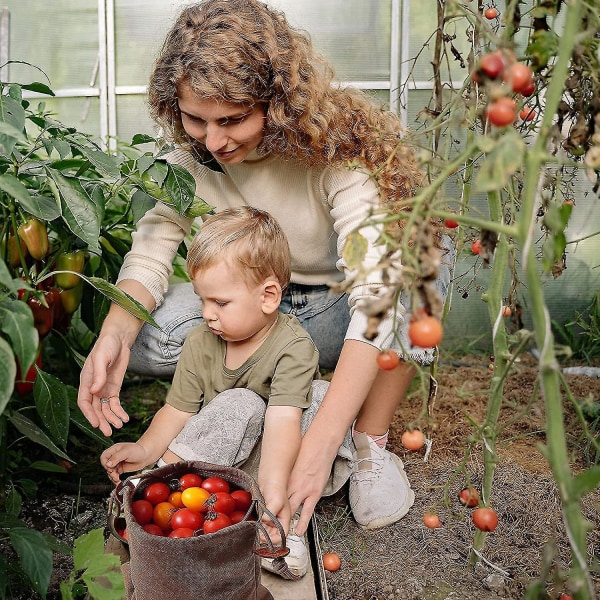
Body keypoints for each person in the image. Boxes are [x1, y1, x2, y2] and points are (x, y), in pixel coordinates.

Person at [78, 0, 453, 540]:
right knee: (143, 337)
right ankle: (254, 406)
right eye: (195, 119)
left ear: (275, 103)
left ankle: (368, 441)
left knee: (421, 269)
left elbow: (376, 293)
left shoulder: (335, 149)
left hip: (335, 305)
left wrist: (321, 443)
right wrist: (114, 332)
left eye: (232, 120)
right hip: (263, 308)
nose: (212, 141)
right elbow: (154, 245)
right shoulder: (196, 154)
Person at [101, 206, 342, 577]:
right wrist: (145, 449)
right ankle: (165, 479)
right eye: (202, 299)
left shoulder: (294, 346)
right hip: (218, 462)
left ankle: (282, 525)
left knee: (324, 398)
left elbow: (282, 423)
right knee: (241, 402)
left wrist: (272, 489)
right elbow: (177, 410)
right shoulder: (200, 342)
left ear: (268, 296)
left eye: (220, 303)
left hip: (275, 458)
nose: (207, 313)